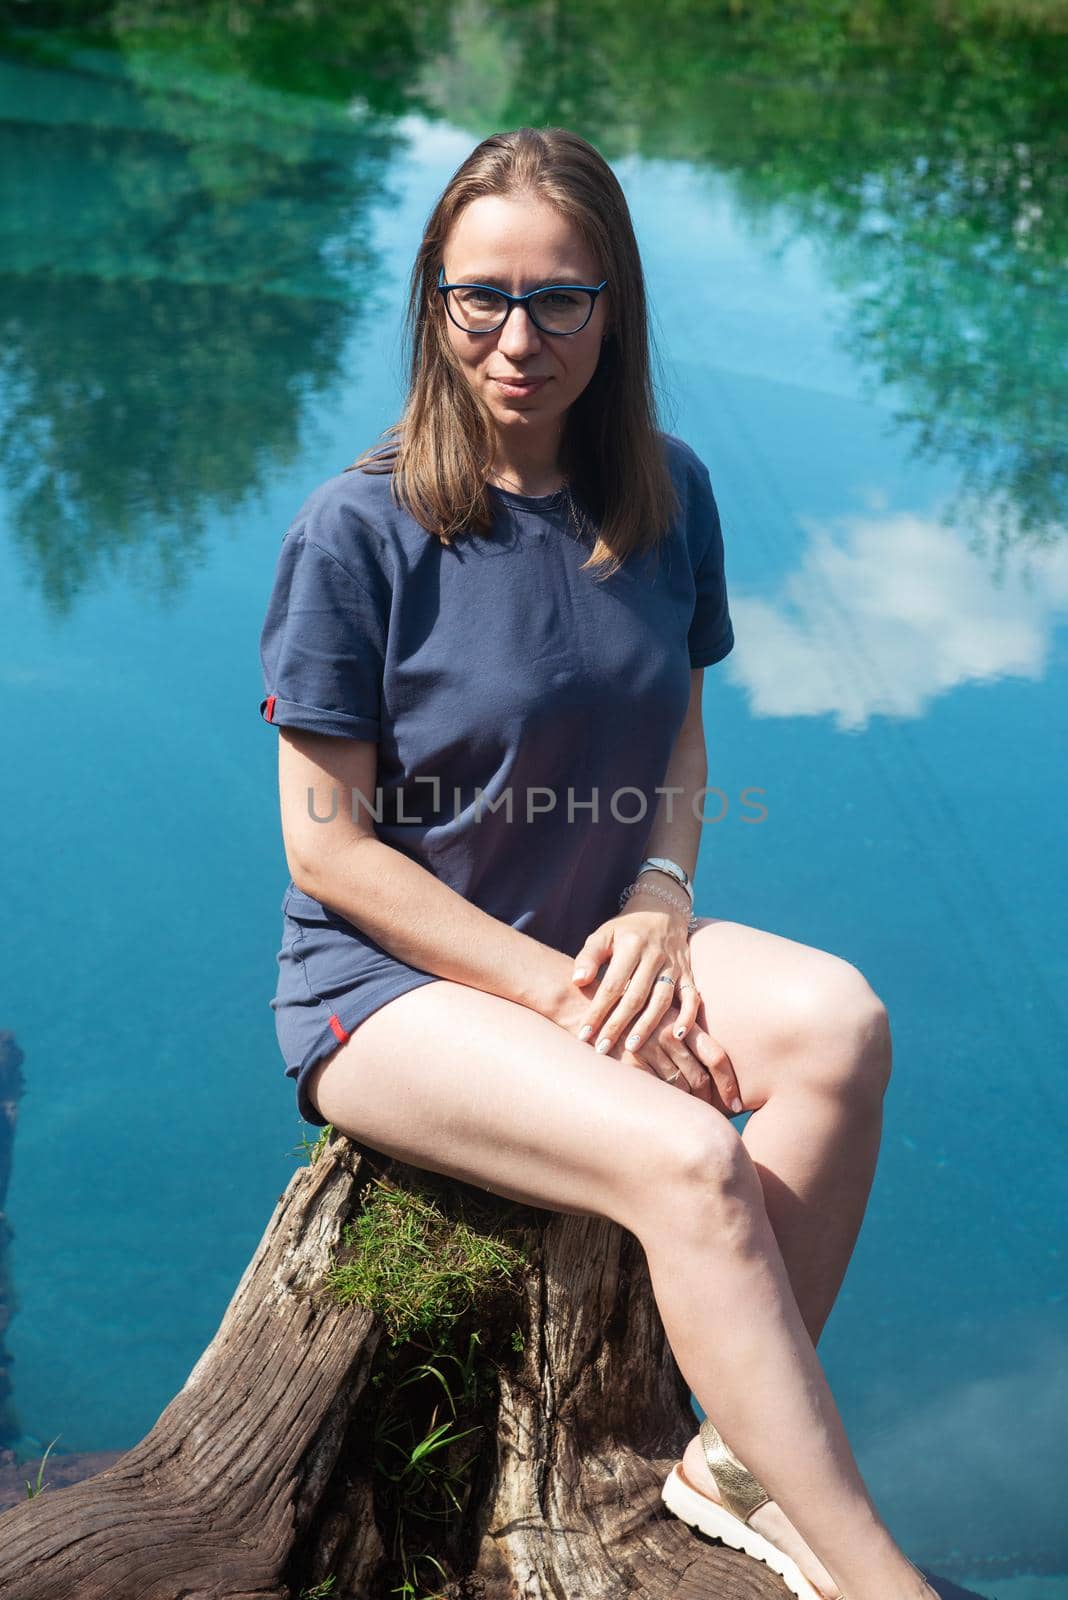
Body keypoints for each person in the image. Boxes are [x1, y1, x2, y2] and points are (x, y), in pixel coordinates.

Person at [257, 126, 938, 1600]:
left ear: (613, 307)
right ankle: (873, 1567)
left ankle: (734, 1469)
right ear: (432, 303)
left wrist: (659, 895)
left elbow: (682, 741)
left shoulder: (667, 490)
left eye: (560, 298)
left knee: (841, 1027)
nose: (519, 338)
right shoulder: (357, 530)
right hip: (388, 995)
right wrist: (555, 993)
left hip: (603, 936)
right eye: (479, 296)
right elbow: (330, 850)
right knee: (688, 1159)